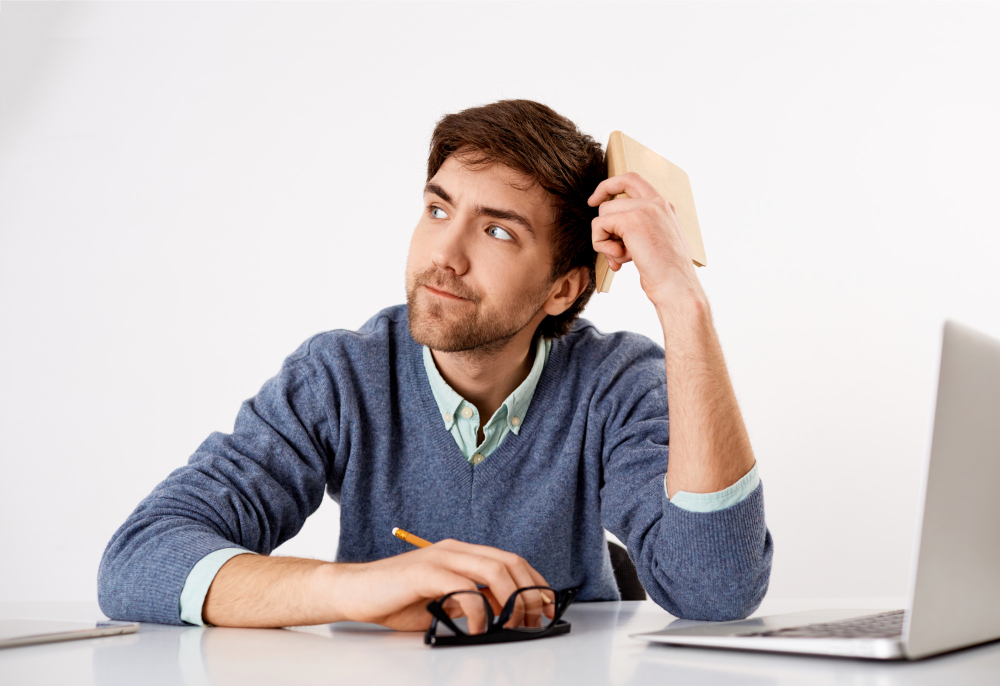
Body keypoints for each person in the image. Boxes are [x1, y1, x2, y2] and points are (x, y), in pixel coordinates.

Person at [98, 100, 772, 633]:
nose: (443, 254)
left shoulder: (616, 383)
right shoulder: (341, 375)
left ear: (563, 288)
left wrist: (682, 302)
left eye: (498, 230)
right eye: (437, 208)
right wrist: (362, 588)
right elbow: (139, 560)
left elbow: (716, 590)